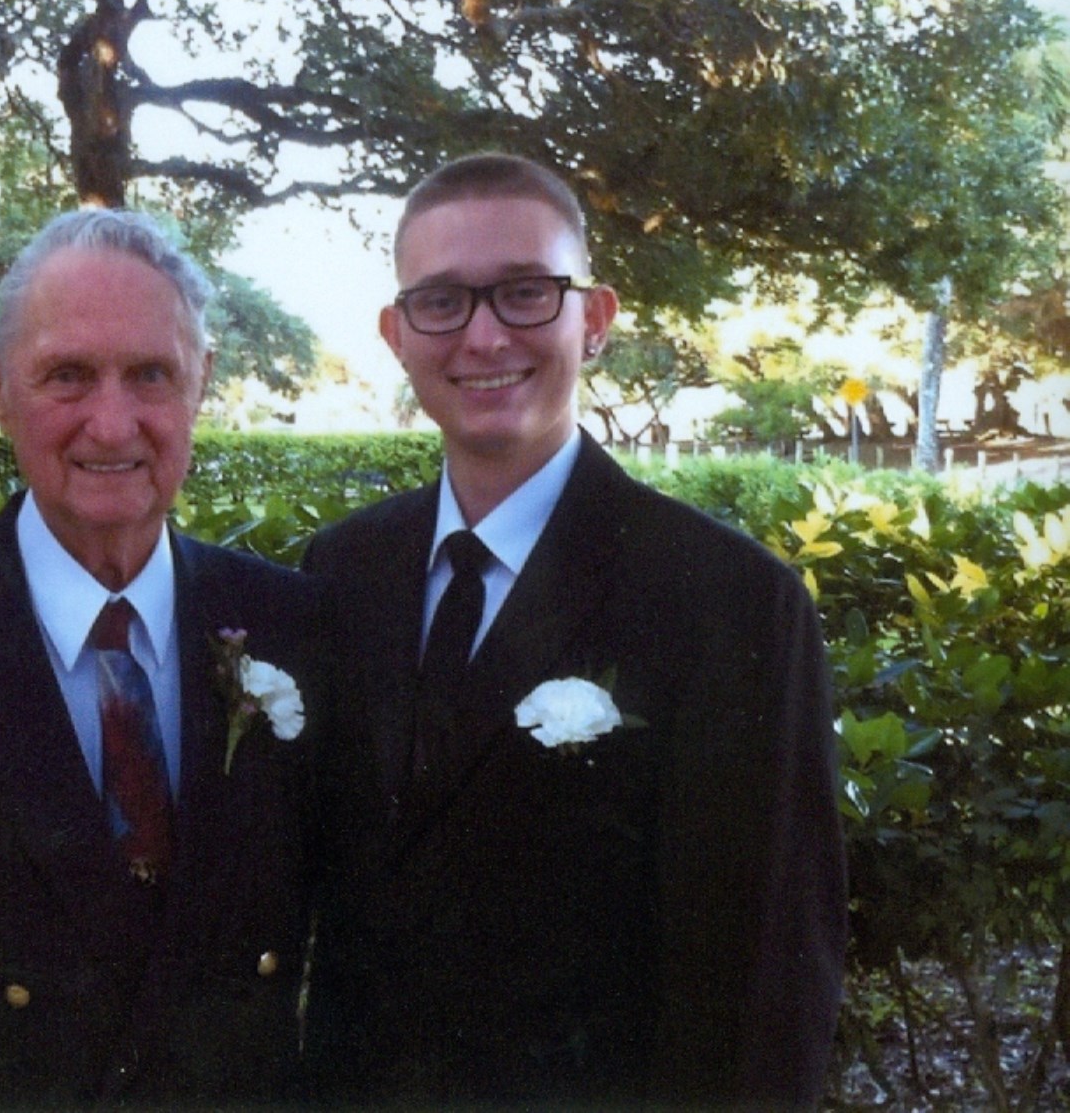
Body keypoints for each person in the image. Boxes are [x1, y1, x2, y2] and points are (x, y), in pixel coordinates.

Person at [304, 153, 845, 1108]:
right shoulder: (342, 569)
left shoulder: (729, 601)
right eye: (441, 301)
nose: (482, 336)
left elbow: (764, 988)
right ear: (396, 333)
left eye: (525, 292)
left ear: (593, 319)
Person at [0, 209, 318, 1105]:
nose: (111, 424)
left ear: (202, 381)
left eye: (151, 373)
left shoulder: (295, 625)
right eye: (68, 375)